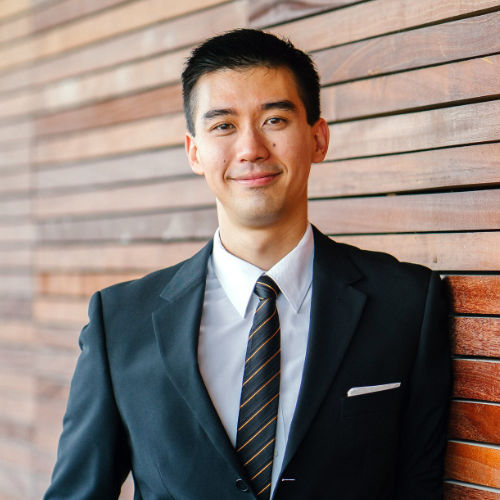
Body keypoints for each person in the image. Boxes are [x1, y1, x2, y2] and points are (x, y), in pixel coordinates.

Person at [44, 29, 451, 500]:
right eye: (223, 126)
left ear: (318, 139)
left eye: (275, 119)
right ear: (195, 152)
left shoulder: (406, 303)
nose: (251, 148)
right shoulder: (120, 323)